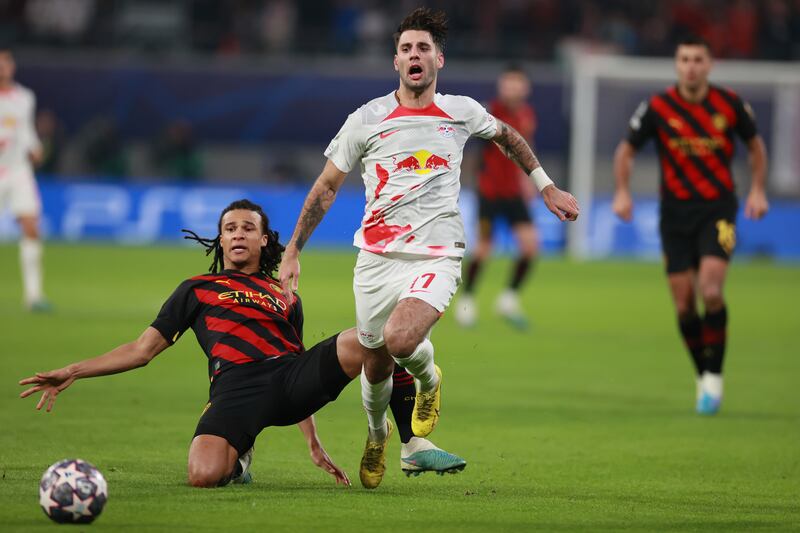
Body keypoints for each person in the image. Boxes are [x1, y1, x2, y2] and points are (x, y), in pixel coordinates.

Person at [278, 8, 579, 489]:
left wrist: (545, 186)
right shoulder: (366, 120)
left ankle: (430, 379)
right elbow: (326, 187)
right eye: (405, 49)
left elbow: (508, 137)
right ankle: (378, 436)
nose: (414, 55)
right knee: (375, 359)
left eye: (422, 48)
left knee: (400, 340)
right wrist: (293, 248)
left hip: (438, 254)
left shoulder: (461, 111)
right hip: (376, 259)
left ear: (438, 58)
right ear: (395, 62)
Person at [19, 199, 464, 488]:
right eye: (229, 228)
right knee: (203, 476)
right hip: (235, 389)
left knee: (374, 339)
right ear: (221, 238)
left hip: (290, 380)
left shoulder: (284, 295)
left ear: (264, 239)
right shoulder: (196, 289)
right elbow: (141, 351)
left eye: (247, 228)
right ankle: (240, 458)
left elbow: (299, 357)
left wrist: (312, 442)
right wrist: (73, 370)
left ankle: (411, 445)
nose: (237, 234)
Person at [612, 36, 768, 415]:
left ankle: (714, 376)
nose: (691, 66)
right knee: (684, 305)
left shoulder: (729, 104)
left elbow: (756, 147)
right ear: (677, 65)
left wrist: (758, 191)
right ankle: (704, 375)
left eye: (698, 59)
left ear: (709, 65)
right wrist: (622, 192)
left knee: (711, 292)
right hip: (675, 214)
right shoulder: (658, 106)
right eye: (685, 59)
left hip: (718, 210)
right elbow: (626, 149)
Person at [456, 65, 540, 330]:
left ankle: (508, 299)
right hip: (489, 192)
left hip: (514, 192)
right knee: (483, 249)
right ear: (502, 86)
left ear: (525, 88)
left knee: (530, 246)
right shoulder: (487, 112)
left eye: (518, 83)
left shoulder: (527, 116)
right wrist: (471, 181)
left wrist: (530, 180)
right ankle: (466, 302)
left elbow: (527, 147)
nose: (513, 88)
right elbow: (471, 149)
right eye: (509, 83)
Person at [0, 48, 50, 311]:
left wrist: (35, 147)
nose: (2, 67)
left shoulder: (23, 97)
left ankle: (33, 296)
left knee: (31, 227)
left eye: (6, 62)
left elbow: (25, 130)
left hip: (18, 170)